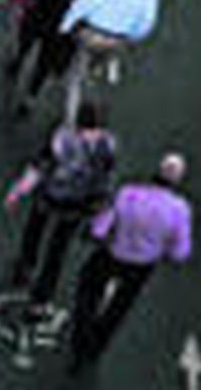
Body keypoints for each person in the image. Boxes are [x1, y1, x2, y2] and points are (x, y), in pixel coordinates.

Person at [69, 152, 193, 368]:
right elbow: (180, 252)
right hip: (142, 265)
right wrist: (163, 249)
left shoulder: (129, 193)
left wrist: (95, 233)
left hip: (114, 253)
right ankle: (95, 347)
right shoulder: (179, 210)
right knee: (119, 306)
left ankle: (81, 334)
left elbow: (102, 227)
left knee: (88, 287)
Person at [5, 102, 119, 313]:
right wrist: (99, 213)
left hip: (54, 196)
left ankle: (27, 271)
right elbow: (106, 182)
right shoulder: (106, 146)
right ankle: (40, 292)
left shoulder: (62, 137)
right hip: (75, 204)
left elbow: (40, 165)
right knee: (55, 247)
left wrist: (19, 189)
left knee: (37, 234)